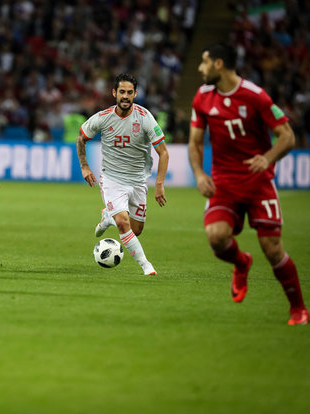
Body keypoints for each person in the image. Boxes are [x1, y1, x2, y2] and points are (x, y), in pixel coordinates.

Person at [188, 43, 308, 325]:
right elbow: (194, 142)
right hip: (224, 183)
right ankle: (241, 262)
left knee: (272, 248)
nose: (200, 68)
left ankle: (298, 309)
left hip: (257, 184)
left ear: (219, 64)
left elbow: (287, 136)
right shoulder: (203, 97)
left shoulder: (255, 97)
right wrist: (199, 174)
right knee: (217, 238)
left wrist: (267, 158)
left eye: (204, 62)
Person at [76, 73, 169, 276]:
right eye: (121, 92)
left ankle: (108, 216)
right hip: (112, 179)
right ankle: (146, 266)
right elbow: (81, 138)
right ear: (114, 93)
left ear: (135, 94)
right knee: (123, 223)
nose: (125, 96)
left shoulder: (144, 118)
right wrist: (84, 166)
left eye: (129, 92)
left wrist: (159, 184)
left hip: (138, 181)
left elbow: (163, 152)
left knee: (135, 230)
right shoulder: (103, 118)